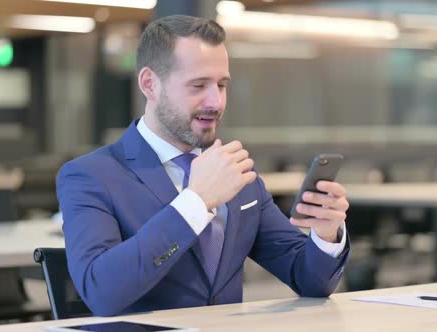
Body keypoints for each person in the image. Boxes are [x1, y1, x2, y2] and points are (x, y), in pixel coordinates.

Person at [57, 15, 351, 317]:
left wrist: (326, 235)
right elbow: (101, 292)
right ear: (149, 84)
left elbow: (307, 280)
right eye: (198, 85)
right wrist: (195, 203)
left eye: (222, 85)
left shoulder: (236, 174)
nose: (216, 102)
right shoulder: (90, 176)